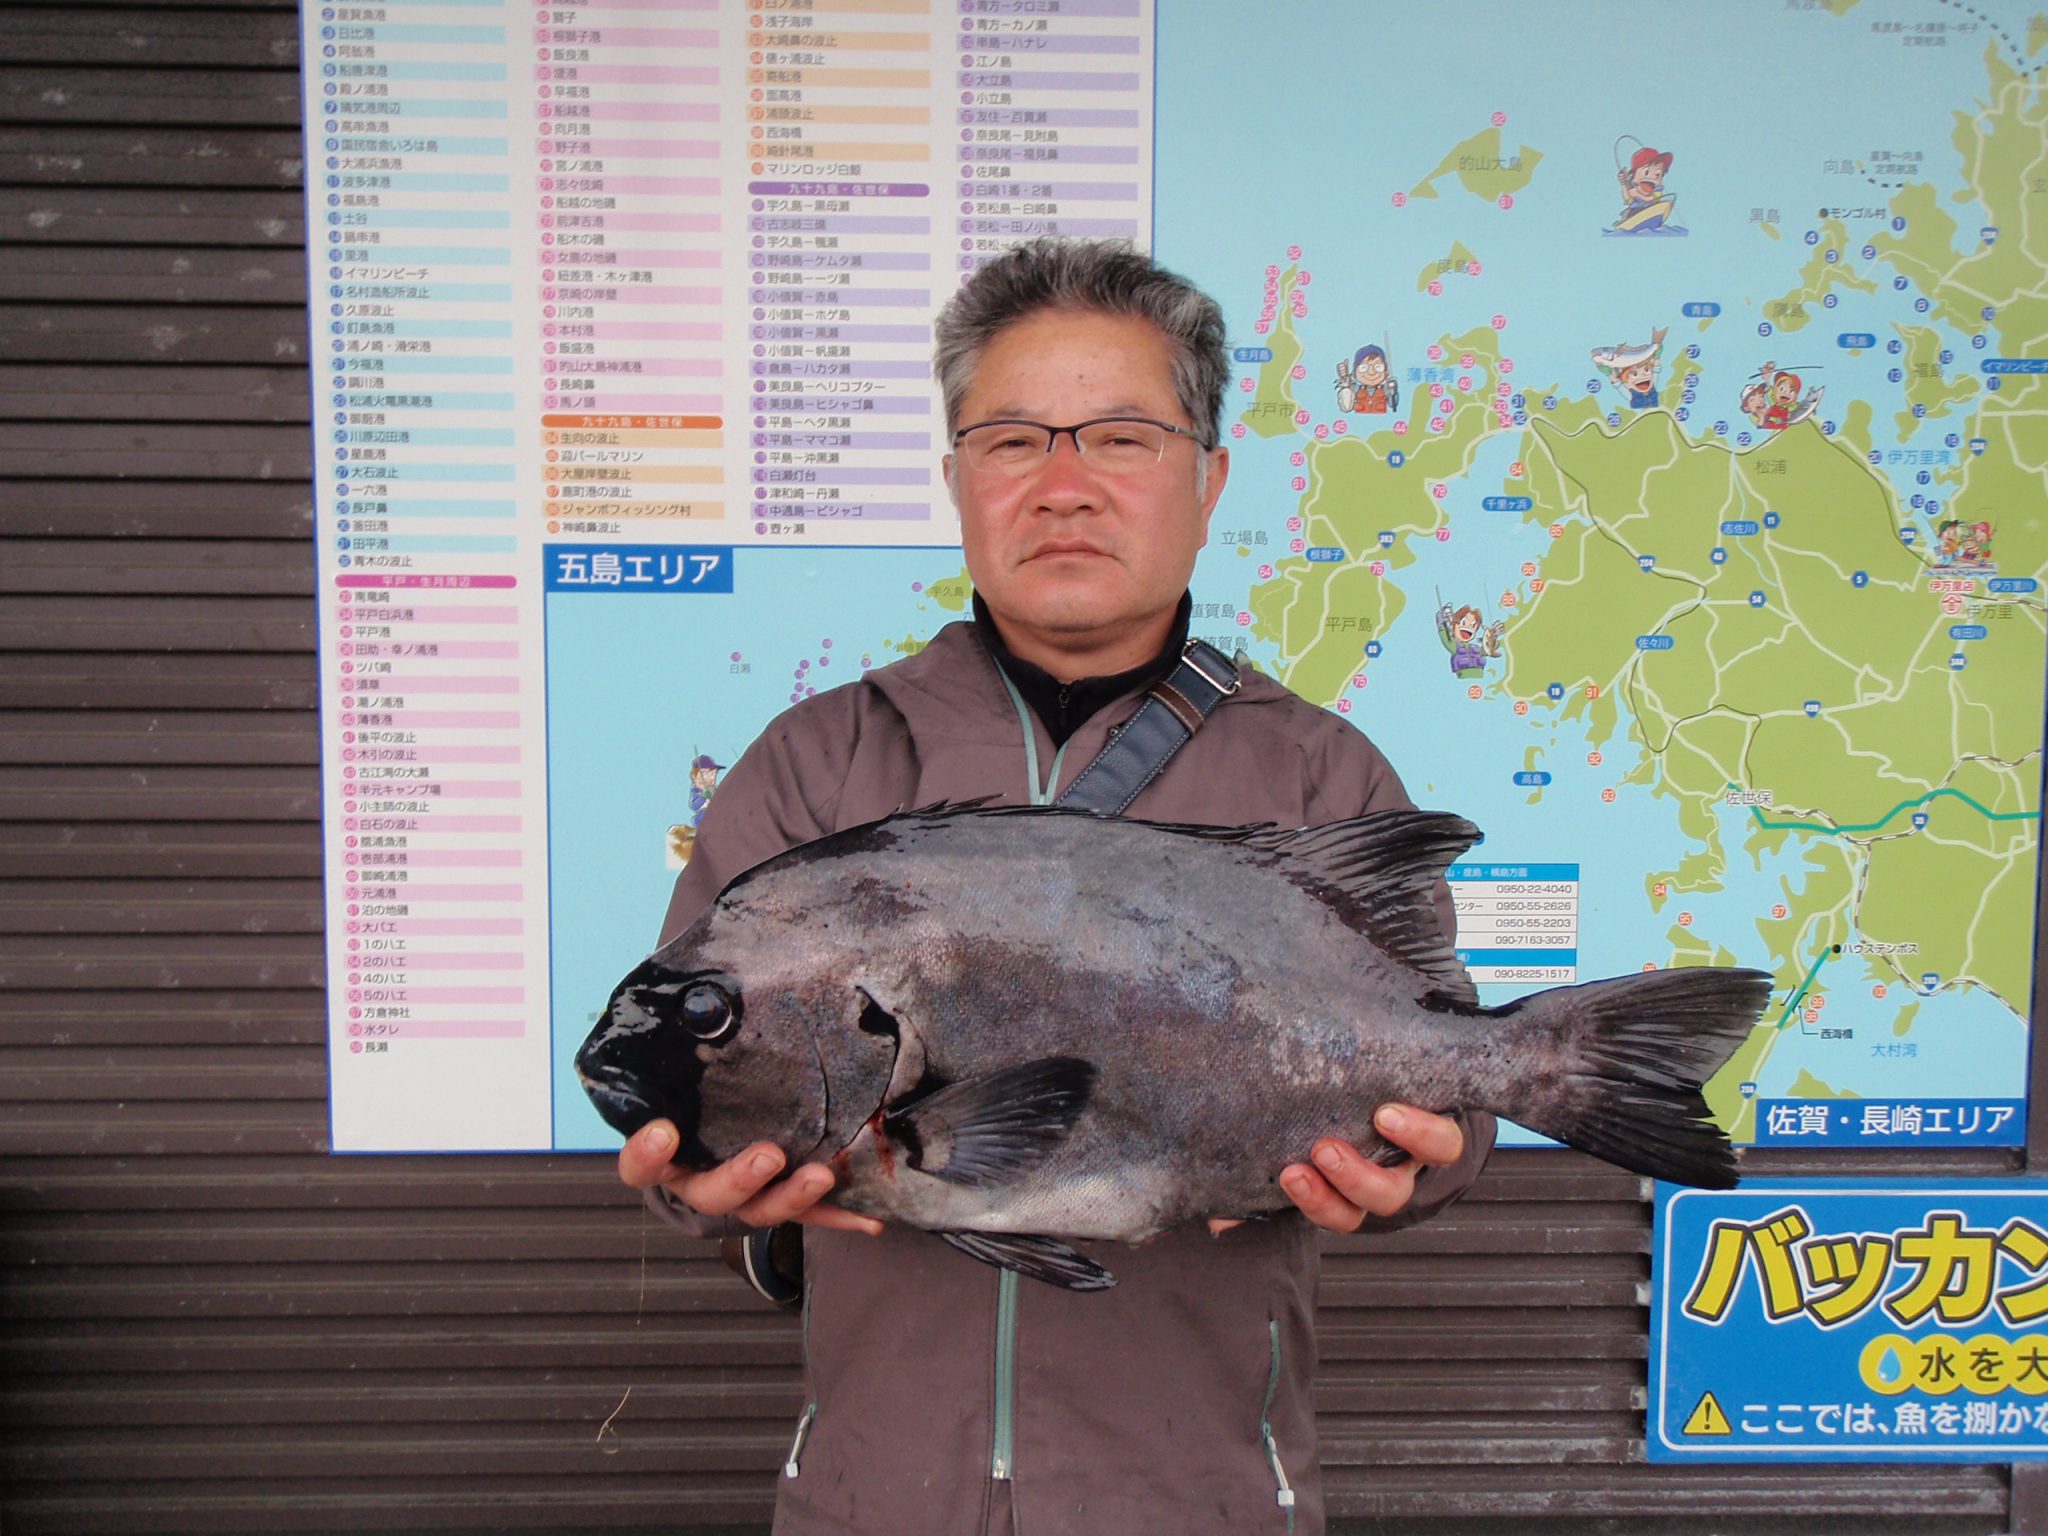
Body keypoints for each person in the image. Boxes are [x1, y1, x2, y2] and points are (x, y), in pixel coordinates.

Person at [616, 238, 1495, 1536]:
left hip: (1207, 1504)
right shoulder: (814, 764)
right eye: (1013, 438)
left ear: (1209, 480)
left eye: (1124, 437)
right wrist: (690, 1183)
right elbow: (704, 1067)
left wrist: (1432, 1158)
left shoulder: (1320, 770)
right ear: (958, 478)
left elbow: (1438, 1065)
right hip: (875, 1500)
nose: (1065, 485)